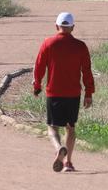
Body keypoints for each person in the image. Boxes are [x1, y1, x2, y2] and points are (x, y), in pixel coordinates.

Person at [33, 12, 94, 172]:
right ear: (72, 27)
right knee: (70, 128)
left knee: (52, 127)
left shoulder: (48, 43)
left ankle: (59, 147)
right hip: (73, 94)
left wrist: (37, 85)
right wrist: (89, 93)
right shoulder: (81, 46)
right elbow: (87, 71)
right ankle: (68, 162)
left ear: (56, 26)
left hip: (54, 92)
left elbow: (39, 66)